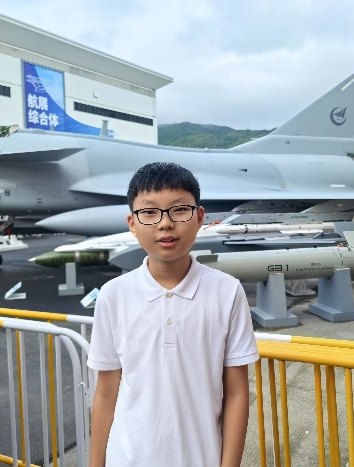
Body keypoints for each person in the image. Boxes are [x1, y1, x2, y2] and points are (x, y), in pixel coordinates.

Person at [87, 162, 259, 467]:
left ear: (200, 217)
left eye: (179, 210)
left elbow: (236, 393)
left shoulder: (227, 291)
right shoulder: (113, 295)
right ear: (132, 223)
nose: (165, 223)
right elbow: (106, 392)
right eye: (149, 212)